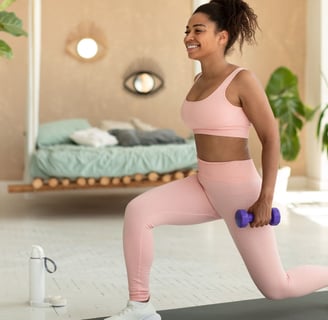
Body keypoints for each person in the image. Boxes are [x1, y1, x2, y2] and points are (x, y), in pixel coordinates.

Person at [106, 1, 328, 319]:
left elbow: (271, 137)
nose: (188, 37)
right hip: (204, 183)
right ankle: (140, 306)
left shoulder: (241, 80)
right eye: (187, 30)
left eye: (198, 30)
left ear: (222, 37)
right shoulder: (197, 82)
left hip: (241, 193)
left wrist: (266, 198)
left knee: (277, 287)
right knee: (138, 211)